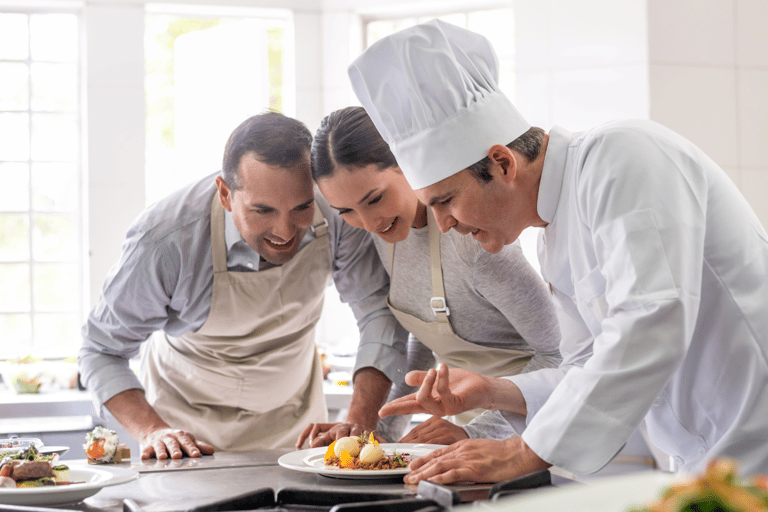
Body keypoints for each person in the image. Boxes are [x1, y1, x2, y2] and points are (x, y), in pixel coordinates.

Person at [348, 19, 768, 484]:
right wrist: (493, 390)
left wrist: (522, 452)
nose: (443, 224)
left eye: (445, 200)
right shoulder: (554, 236)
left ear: (502, 163)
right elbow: (586, 368)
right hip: (710, 465)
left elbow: (651, 320)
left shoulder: (623, 156)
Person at [79, 112, 409, 459]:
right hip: (185, 441)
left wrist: (360, 419)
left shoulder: (338, 210)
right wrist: (152, 430)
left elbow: (377, 313)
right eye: (262, 211)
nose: (284, 232)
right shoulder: (165, 241)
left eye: (301, 208)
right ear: (225, 194)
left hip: (296, 432)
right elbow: (100, 350)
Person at [296, 106, 561, 448]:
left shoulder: (472, 242)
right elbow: (425, 336)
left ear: (408, 166)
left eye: (375, 199)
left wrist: (476, 433)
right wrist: (377, 437)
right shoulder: (384, 235)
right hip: (469, 436)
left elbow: (559, 354)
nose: (369, 222)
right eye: (346, 211)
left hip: (537, 431)